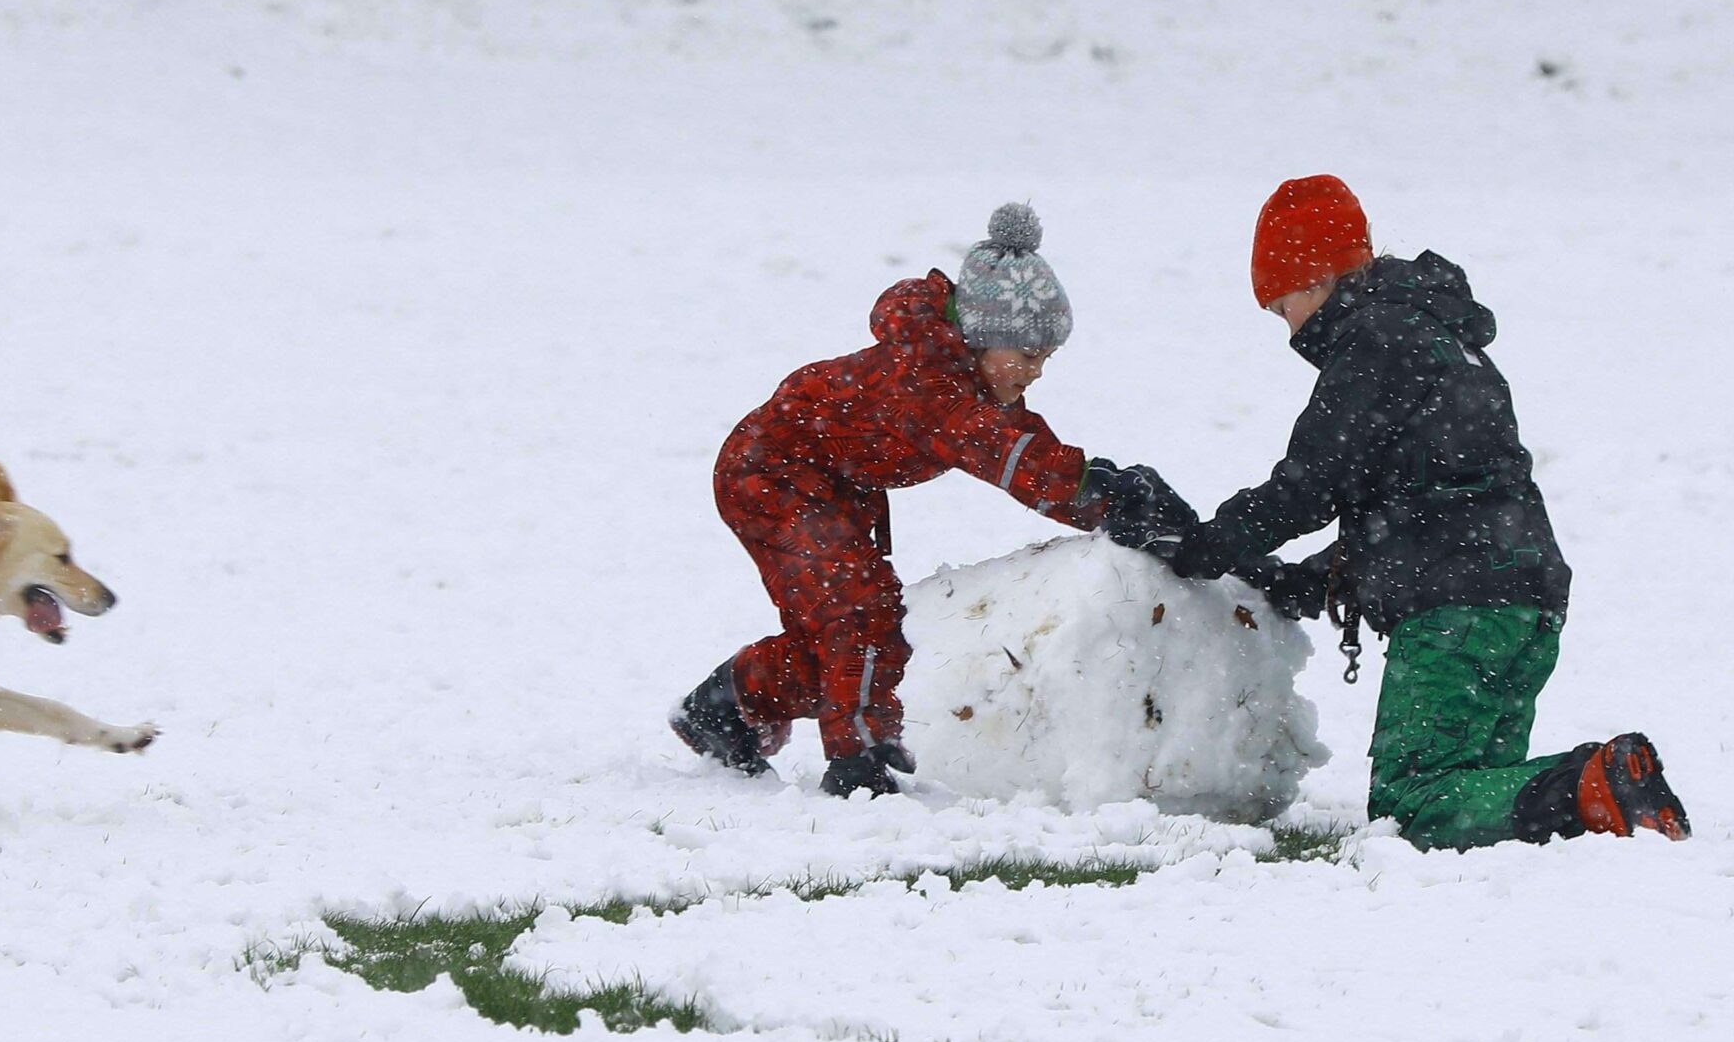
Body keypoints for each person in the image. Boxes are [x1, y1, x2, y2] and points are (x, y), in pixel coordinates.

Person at [1129, 175, 1689, 847]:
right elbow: (1417, 509)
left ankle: (1594, 786)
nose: (1288, 331)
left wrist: (1197, 548)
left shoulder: (1373, 342)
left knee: (1415, 802)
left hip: (1457, 620)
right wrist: (1293, 582)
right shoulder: (1437, 338)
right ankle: (1615, 794)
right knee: (1481, 802)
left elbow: (1308, 487)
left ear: (1316, 279)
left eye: (1282, 308)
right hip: (1522, 604)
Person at [673, 203, 1156, 797]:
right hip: (771, 474)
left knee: (855, 630)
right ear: (984, 336)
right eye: (1028, 356)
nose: (1035, 372)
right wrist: (1097, 494)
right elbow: (1005, 455)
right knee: (857, 614)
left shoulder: (966, 375)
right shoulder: (930, 384)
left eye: (1045, 359)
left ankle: (728, 704)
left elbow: (1022, 444)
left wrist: (1103, 490)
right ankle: (858, 759)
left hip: (833, 482)